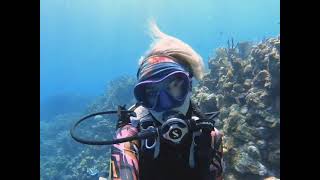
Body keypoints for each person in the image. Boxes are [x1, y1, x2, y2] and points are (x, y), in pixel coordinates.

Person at [107, 21, 224, 180]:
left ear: (189, 85)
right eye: (152, 92)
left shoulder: (209, 138)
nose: (165, 104)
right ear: (143, 99)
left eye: (174, 86)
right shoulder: (129, 137)